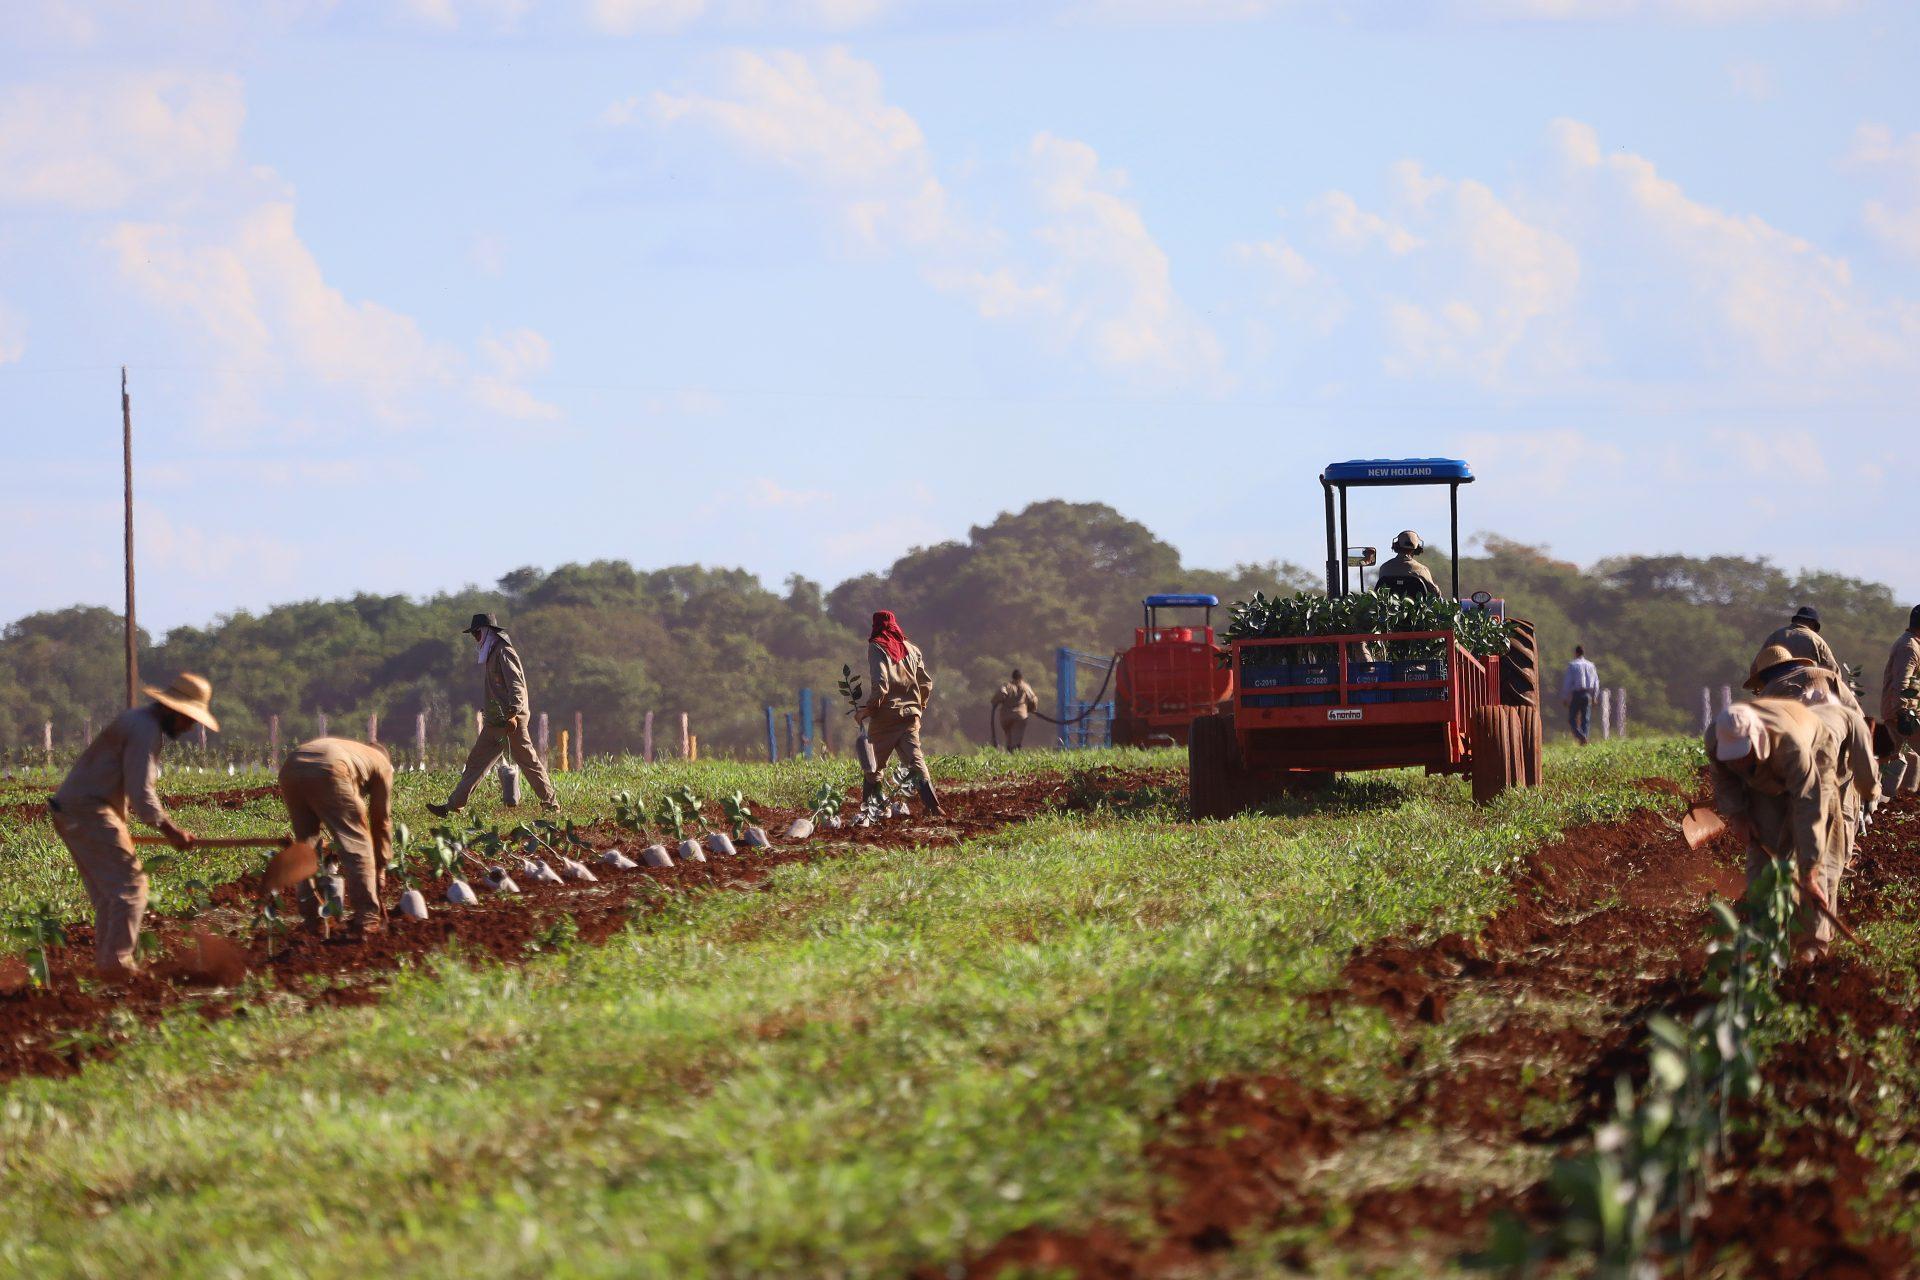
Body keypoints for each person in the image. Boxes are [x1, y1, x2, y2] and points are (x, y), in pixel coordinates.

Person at [46, 674, 215, 978]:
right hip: (89, 810)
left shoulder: (137, 720)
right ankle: (118, 966)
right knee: (132, 888)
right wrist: (170, 829)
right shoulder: (145, 730)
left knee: (110, 896)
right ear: (172, 710)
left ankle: (107, 967)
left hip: (74, 808)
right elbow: (141, 792)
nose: (190, 727)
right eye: (189, 718)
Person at [1706, 699, 1874, 964]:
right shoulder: (1717, 739)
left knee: (1820, 861)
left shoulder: (1791, 745)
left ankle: (1812, 944)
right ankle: (1766, 936)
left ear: (1757, 740)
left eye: (1743, 753)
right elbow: (1723, 776)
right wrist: (1737, 814)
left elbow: (1809, 809)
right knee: (1763, 850)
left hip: (1815, 759)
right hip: (1763, 779)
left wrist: (1808, 872)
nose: (1737, 762)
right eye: (1733, 756)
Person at [428, 613, 559, 817]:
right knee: (476, 762)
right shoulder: (491, 653)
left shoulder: (503, 651)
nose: (475, 637)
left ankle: (551, 805)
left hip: (509, 721)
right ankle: (452, 806)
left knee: (529, 763)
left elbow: (516, 685)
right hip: (495, 722)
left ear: (488, 632)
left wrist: (513, 713)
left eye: (477, 633)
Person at [279, 737, 394, 940]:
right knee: (357, 843)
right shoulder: (383, 765)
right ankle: (367, 920)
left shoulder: (356, 752)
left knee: (306, 845)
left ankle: (312, 919)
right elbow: (381, 821)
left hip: (291, 767)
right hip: (330, 767)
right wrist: (381, 867)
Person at [856, 610, 942, 816]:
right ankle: (933, 806)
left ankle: (870, 809)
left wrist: (868, 709)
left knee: (873, 764)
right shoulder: (912, 649)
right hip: (910, 715)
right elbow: (926, 683)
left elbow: (881, 683)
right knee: (915, 761)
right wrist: (919, 706)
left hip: (886, 716)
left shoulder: (877, 646)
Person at [1878, 606, 1920, 795]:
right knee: (1907, 758)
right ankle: (1897, 805)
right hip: (1903, 714)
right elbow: (1902, 681)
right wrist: (1903, 712)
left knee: (1906, 758)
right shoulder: (1909, 647)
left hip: (1907, 711)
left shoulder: (1913, 644)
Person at [1762, 605, 1841, 677]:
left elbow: (1757, 665)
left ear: (1796, 620)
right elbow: (1833, 670)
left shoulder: (1775, 635)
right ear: (1812, 623)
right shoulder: (1816, 640)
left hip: (1776, 684)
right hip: (1808, 684)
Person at [1374, 530, 1441, 598]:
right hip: (1416, 608)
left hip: (1389, 608)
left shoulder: (1384, 568)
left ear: (1396, 545)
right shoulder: (1422, 570)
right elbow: (1435, 593)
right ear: (1417, 548)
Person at [990, 669, 1040, 751]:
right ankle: (1015, 752)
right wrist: (1032, 709)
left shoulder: (1006, 686)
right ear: (1021, 678)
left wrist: (995, 702)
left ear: (1012, 677)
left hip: (1005, 717)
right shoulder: (1025, 686)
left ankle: (1009, 752)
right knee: (1017, 738)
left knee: (1008, 737)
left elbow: (1000, 695)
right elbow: (1033, 699)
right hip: (1020, 717)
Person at [1560, 645, 1600, 744]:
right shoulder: (1591, 665)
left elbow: (1567, 683)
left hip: (1577, 694)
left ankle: (1581, 736)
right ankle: (1584, 738)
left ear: (1576, 653)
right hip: (1587, 694)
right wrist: (1595, 697)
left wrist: (1565, 697)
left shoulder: (1572, 665)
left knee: (1572, 718)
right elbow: (1596, 683)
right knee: (1585, 719)